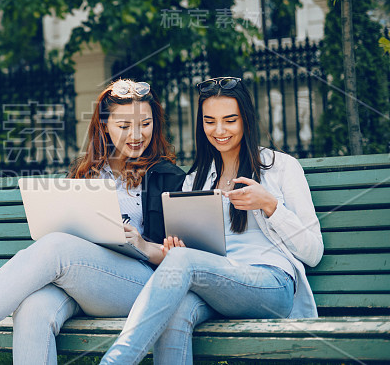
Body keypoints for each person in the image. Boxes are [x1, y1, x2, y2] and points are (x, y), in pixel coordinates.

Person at [0, 79, 185, 365]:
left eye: (145, 124)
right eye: (124, 126)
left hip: (142, 286)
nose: (136, 135)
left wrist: (142, 244)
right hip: (83, 282)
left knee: (56, 246)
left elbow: (183, 259)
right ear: (104, 127)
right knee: (32, 307)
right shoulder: (88, 173)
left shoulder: (167, 176)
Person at [100, 76, 324, 364]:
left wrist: (270, 205)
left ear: (247, 119)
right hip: (216, 287)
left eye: (230, 120)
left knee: (182, 262)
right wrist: (175, 248)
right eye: (209, 121)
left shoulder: (280, 167)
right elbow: (193, 256)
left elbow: (314, 252)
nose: (219, 130)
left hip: (270, 283)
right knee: (176, 309)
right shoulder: (195, 181)